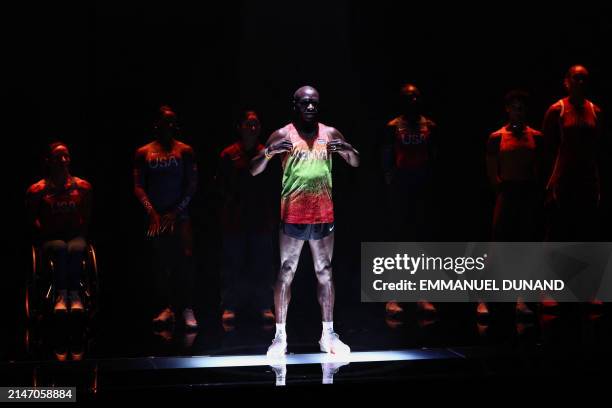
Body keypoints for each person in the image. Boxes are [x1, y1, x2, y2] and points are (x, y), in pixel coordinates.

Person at [250, 86, 360, 356]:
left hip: (323, 214)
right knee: (286, 271)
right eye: (305, 103)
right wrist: (269, 152)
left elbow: (356, 162)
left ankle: (328, 335)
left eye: (314, 103)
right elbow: (253, 169)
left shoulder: (331, 133)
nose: (310, 107)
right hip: (293, 214)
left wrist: (347, 149)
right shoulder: (282, 134)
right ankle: (279, 337)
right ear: (296, 105)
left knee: (325, 271)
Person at [134, 105, 199, 329]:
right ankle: (166, 307)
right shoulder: (144, 152)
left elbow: (192, 184)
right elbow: (139, 186)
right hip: (157, 217)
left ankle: (187, 308)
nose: (169, 125)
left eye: (172, 121)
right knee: (161, 262)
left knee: (185, 259)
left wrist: (177, 211)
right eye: (165, 121)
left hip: (180, 215)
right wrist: (152, 212)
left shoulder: (185, 150)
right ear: (157, 124)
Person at [482, 89, 544, 316]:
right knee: (498, 247)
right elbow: (492, 174)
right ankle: (485, 299)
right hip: (507, 193)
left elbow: (540, 169)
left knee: (527, 246)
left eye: (522, 108)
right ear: (507, 109)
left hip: (528, 193)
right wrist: (504, 193)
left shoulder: (536, 136)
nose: (519, 112)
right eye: (515, 107)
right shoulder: (496, 137)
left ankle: (523, 298)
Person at [382, 83, 438, 315]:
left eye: (416, 96)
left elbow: (435, 155)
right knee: (399, 241)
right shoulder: (394, 126)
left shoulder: (430, 125)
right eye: (408, 97)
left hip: (422, 187)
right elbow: (386, 155)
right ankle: (394, 296)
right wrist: (390, 180)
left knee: (421, 241)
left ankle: (421, 295)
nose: (413, 100)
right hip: (401, 186)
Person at [216, 110, 275, 324]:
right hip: (235, 219)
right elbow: (220, 187)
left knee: (263, 265)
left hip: (261, 219)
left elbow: (273, 186)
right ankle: (229, 306)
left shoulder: (266, 152)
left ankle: (264, 305)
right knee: (233, 265)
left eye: (256, 124)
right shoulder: (228, 154)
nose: (253, 128)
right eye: (249, 124)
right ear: (239, 127)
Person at [26, 142, 93, 313]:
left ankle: (76, 295)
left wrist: (80, 231)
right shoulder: (38, 190)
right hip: (51, 237)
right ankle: (62, 295)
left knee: (76, 248)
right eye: (58, 157)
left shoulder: (82, 187)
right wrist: (45, 231)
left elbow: (86, 214)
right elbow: (31, 218)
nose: (63, 160)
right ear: (49, 161)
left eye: (66, 156)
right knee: (60, 248)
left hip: (74, 235)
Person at [543, 65, 603, 242]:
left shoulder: (595, 111)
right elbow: (548, 150)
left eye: (584, 78)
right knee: (559, 230)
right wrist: (549, 185)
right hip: (564, 180)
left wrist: (598, 183)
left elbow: (597, 150)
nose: (580, 82)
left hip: (587, 180)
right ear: (566, 82)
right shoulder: (556, 110)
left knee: (585, 231)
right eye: (576, 78)